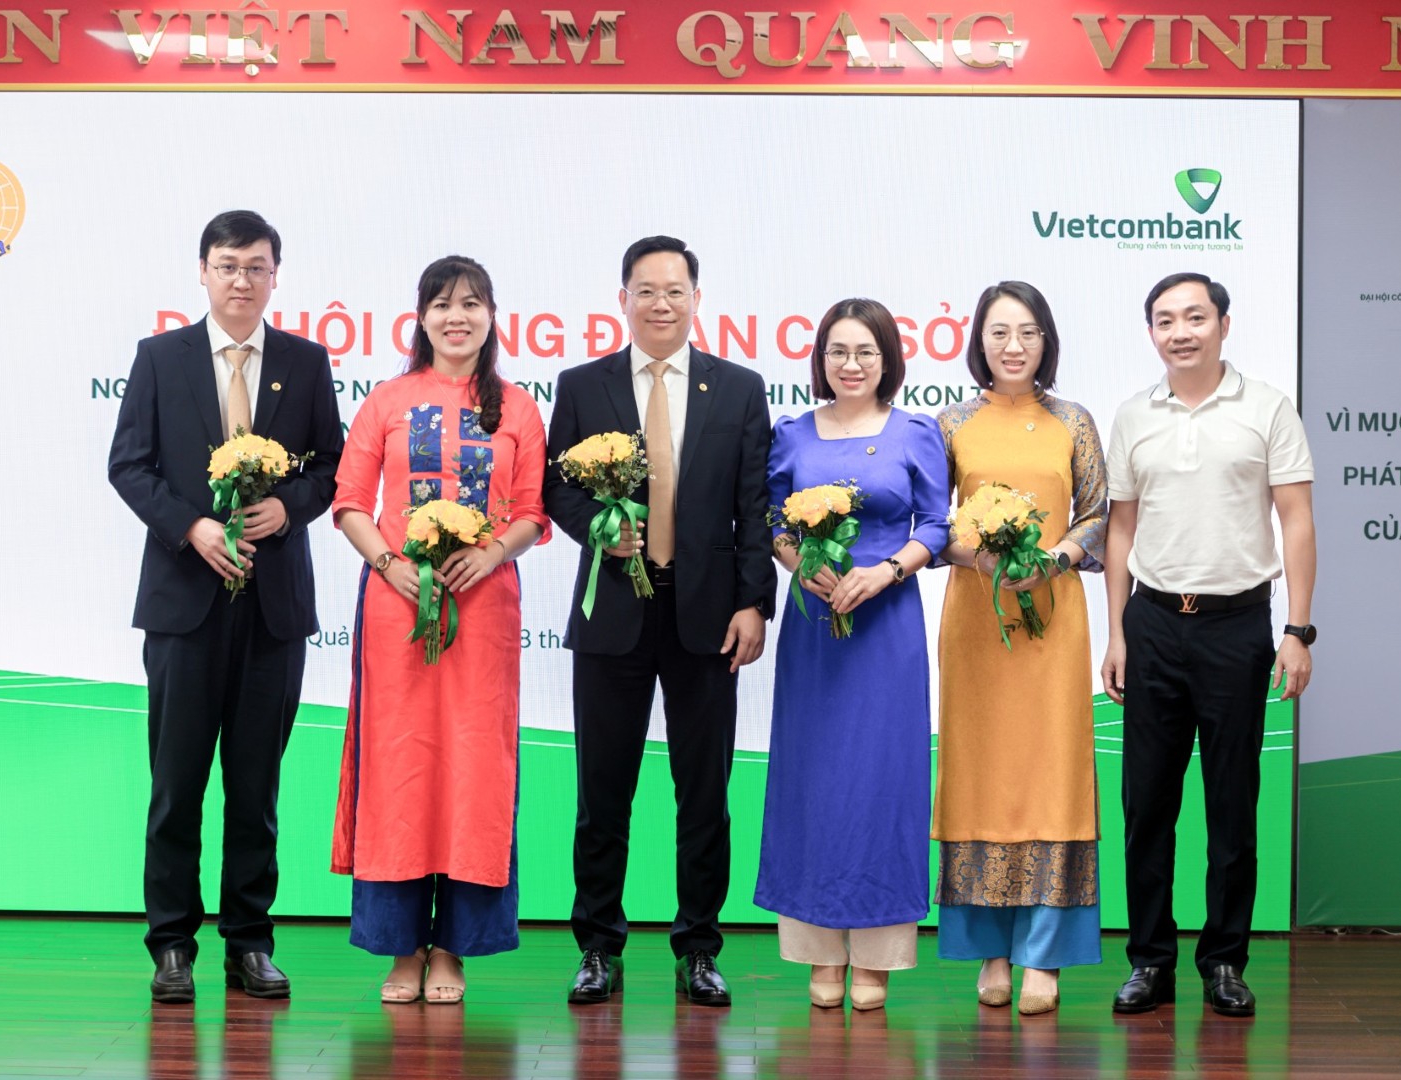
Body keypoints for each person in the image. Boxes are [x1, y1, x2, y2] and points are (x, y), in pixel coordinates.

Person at [108, 210, 343, 1004]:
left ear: (276, 276)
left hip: (273, 610)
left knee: (255, 788)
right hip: (185, 606)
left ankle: (250, 943)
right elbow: (128, 465)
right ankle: (172, 944)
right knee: (176, 785)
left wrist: (289, 507)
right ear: (203, 272)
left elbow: (331, 466)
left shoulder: (306, 362)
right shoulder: (160, 358)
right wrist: (191, 526)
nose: (242, 280)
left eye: (256, 267)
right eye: (228, 265)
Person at [545, 235, 777, 1007]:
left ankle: (699, 948)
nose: (661, 304)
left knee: (703, 794)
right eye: (646, 290)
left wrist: (753, 602)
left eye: (675, 291)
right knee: (602, 793)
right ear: (623, 300)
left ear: (696, 300)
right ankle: (598, 947)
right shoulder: (582, 385)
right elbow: (557, 488)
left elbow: (754, 507)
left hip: (707, 617)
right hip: (613, 613)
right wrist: (598, 526)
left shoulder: (738, 389)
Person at [329, 256, 549, 1005]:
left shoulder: (516, 407)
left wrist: (491, 553)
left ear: (492, 317)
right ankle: (401, 948)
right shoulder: (387, 400)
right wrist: (388, 563)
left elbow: (532, 511)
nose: (458, 317)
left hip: (484, 611)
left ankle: (455, 948)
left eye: (472, 304)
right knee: (400, 769)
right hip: (396, 608)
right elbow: (350, 501)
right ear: (420, 318)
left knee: (473, 770)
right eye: (443, 305)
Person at [1103, 273, 1316, 1018]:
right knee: (1146, 807)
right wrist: (1117, 631)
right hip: (1154, 624)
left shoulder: (1267, 408)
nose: (1181, 331)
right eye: (1165, 320)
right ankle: (1149, 961)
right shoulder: (1134, 415)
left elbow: (1296, 519)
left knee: (1231, 805)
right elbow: (1120, 528)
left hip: (1237, 628)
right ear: (1151, 333)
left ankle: (1224, 961)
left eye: (1195, 317)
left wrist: (1297, 630)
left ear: (1224, 324)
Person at [754, 298, 950, 1012]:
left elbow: (936, 524)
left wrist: (887, 571)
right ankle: (817, 950)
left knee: (882, 780)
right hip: (815, 626)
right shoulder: (791, 434)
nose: (851, 364)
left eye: (866, 351)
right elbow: (772, 520)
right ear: (820, 360)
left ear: (888, 358)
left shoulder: (915, 432)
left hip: (887, 626)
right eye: (837, 350)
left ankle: (877, 955)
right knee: (813, 781)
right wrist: (798, 563)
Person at [931, 281, 1109, 1016]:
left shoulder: (1073, 421)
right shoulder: (950, 424)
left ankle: (1045, 954)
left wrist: (1055, 558)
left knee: (1050, 775)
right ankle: (992, 952)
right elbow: (928, 525)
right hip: (977, 623)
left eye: (1029, 332)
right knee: (981, 775)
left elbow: (1098, 514)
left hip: (1053, 621)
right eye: (1000, 332)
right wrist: (982, 557)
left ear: (1046, 341)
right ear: (978, 340)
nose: (1014, 346)